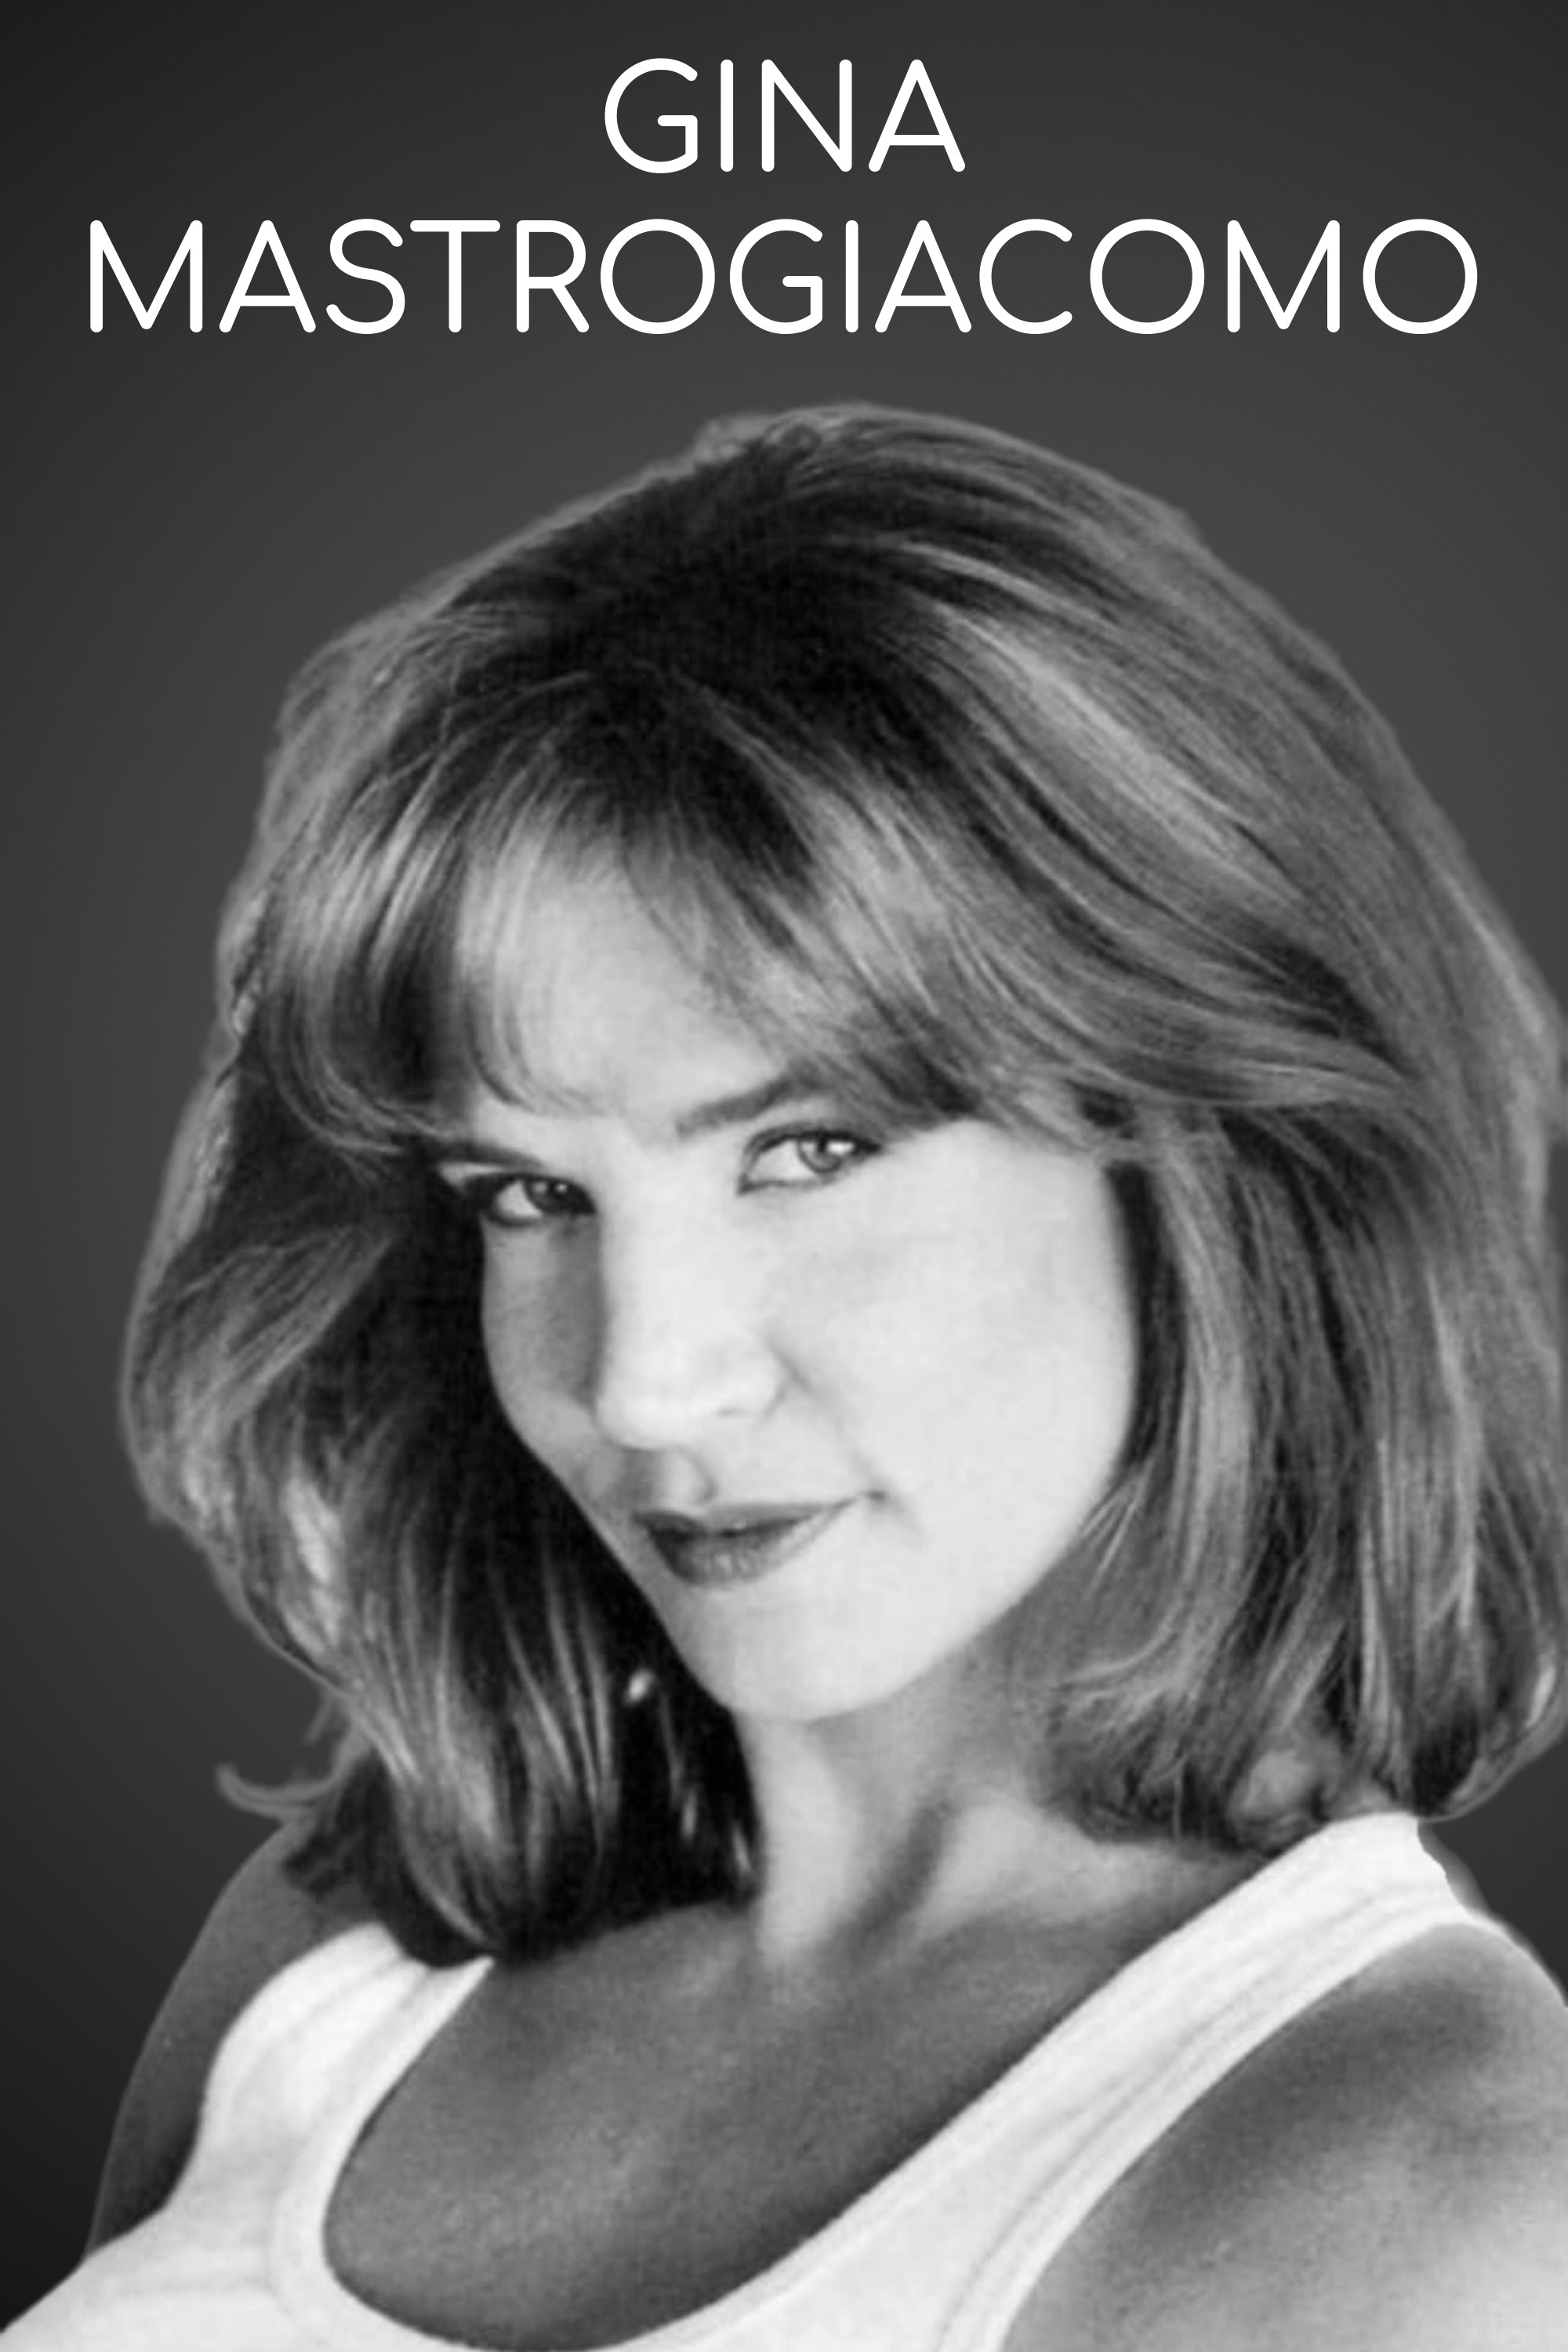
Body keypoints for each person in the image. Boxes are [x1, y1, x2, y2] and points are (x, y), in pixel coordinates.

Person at [8, 405, 1568, 2350]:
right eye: (530, 1194)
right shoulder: (332, 1958)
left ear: (1208, 1156)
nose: (643, 1386)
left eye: (806, 1152)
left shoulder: (1431, 2186)